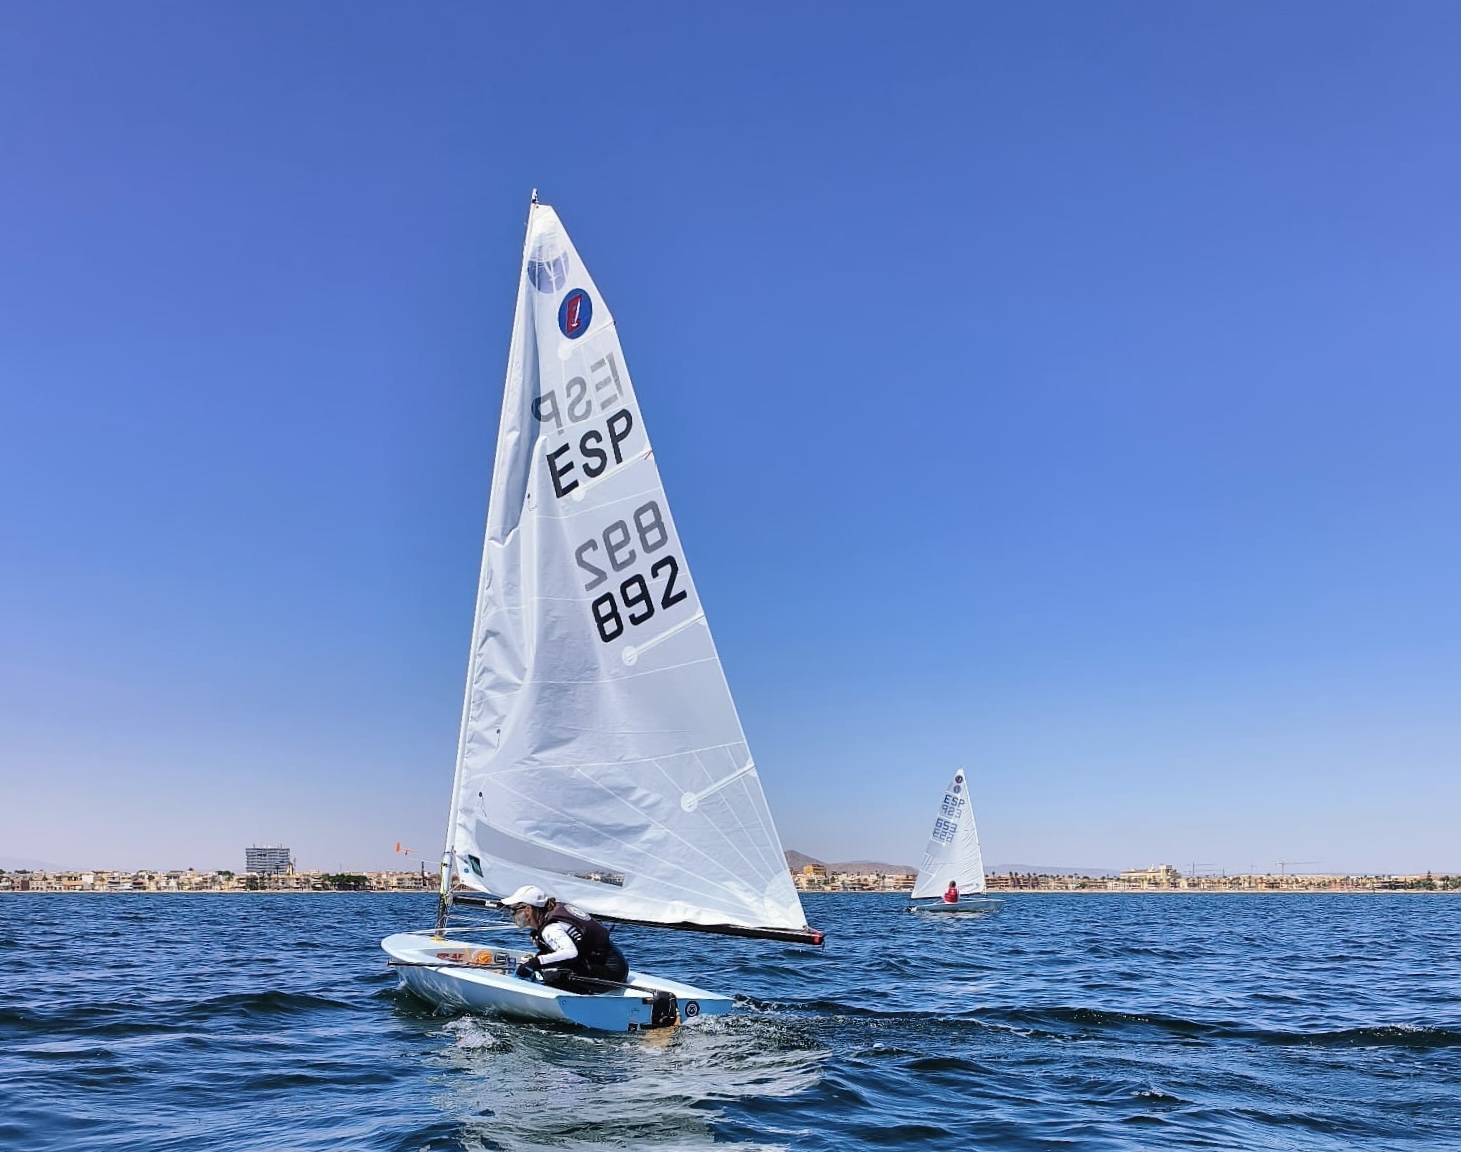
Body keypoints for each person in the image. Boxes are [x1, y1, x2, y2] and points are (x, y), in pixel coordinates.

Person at [499, 885, 630, 994]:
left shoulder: (551, 929)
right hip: (612, 966)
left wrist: (535, 962)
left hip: (611, 973)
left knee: (551, 975)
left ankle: (582, 1000)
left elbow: (570, 953)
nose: (512, 915)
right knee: (546, 967)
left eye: (513, 911)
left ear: (528, 910)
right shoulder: (549, 918)